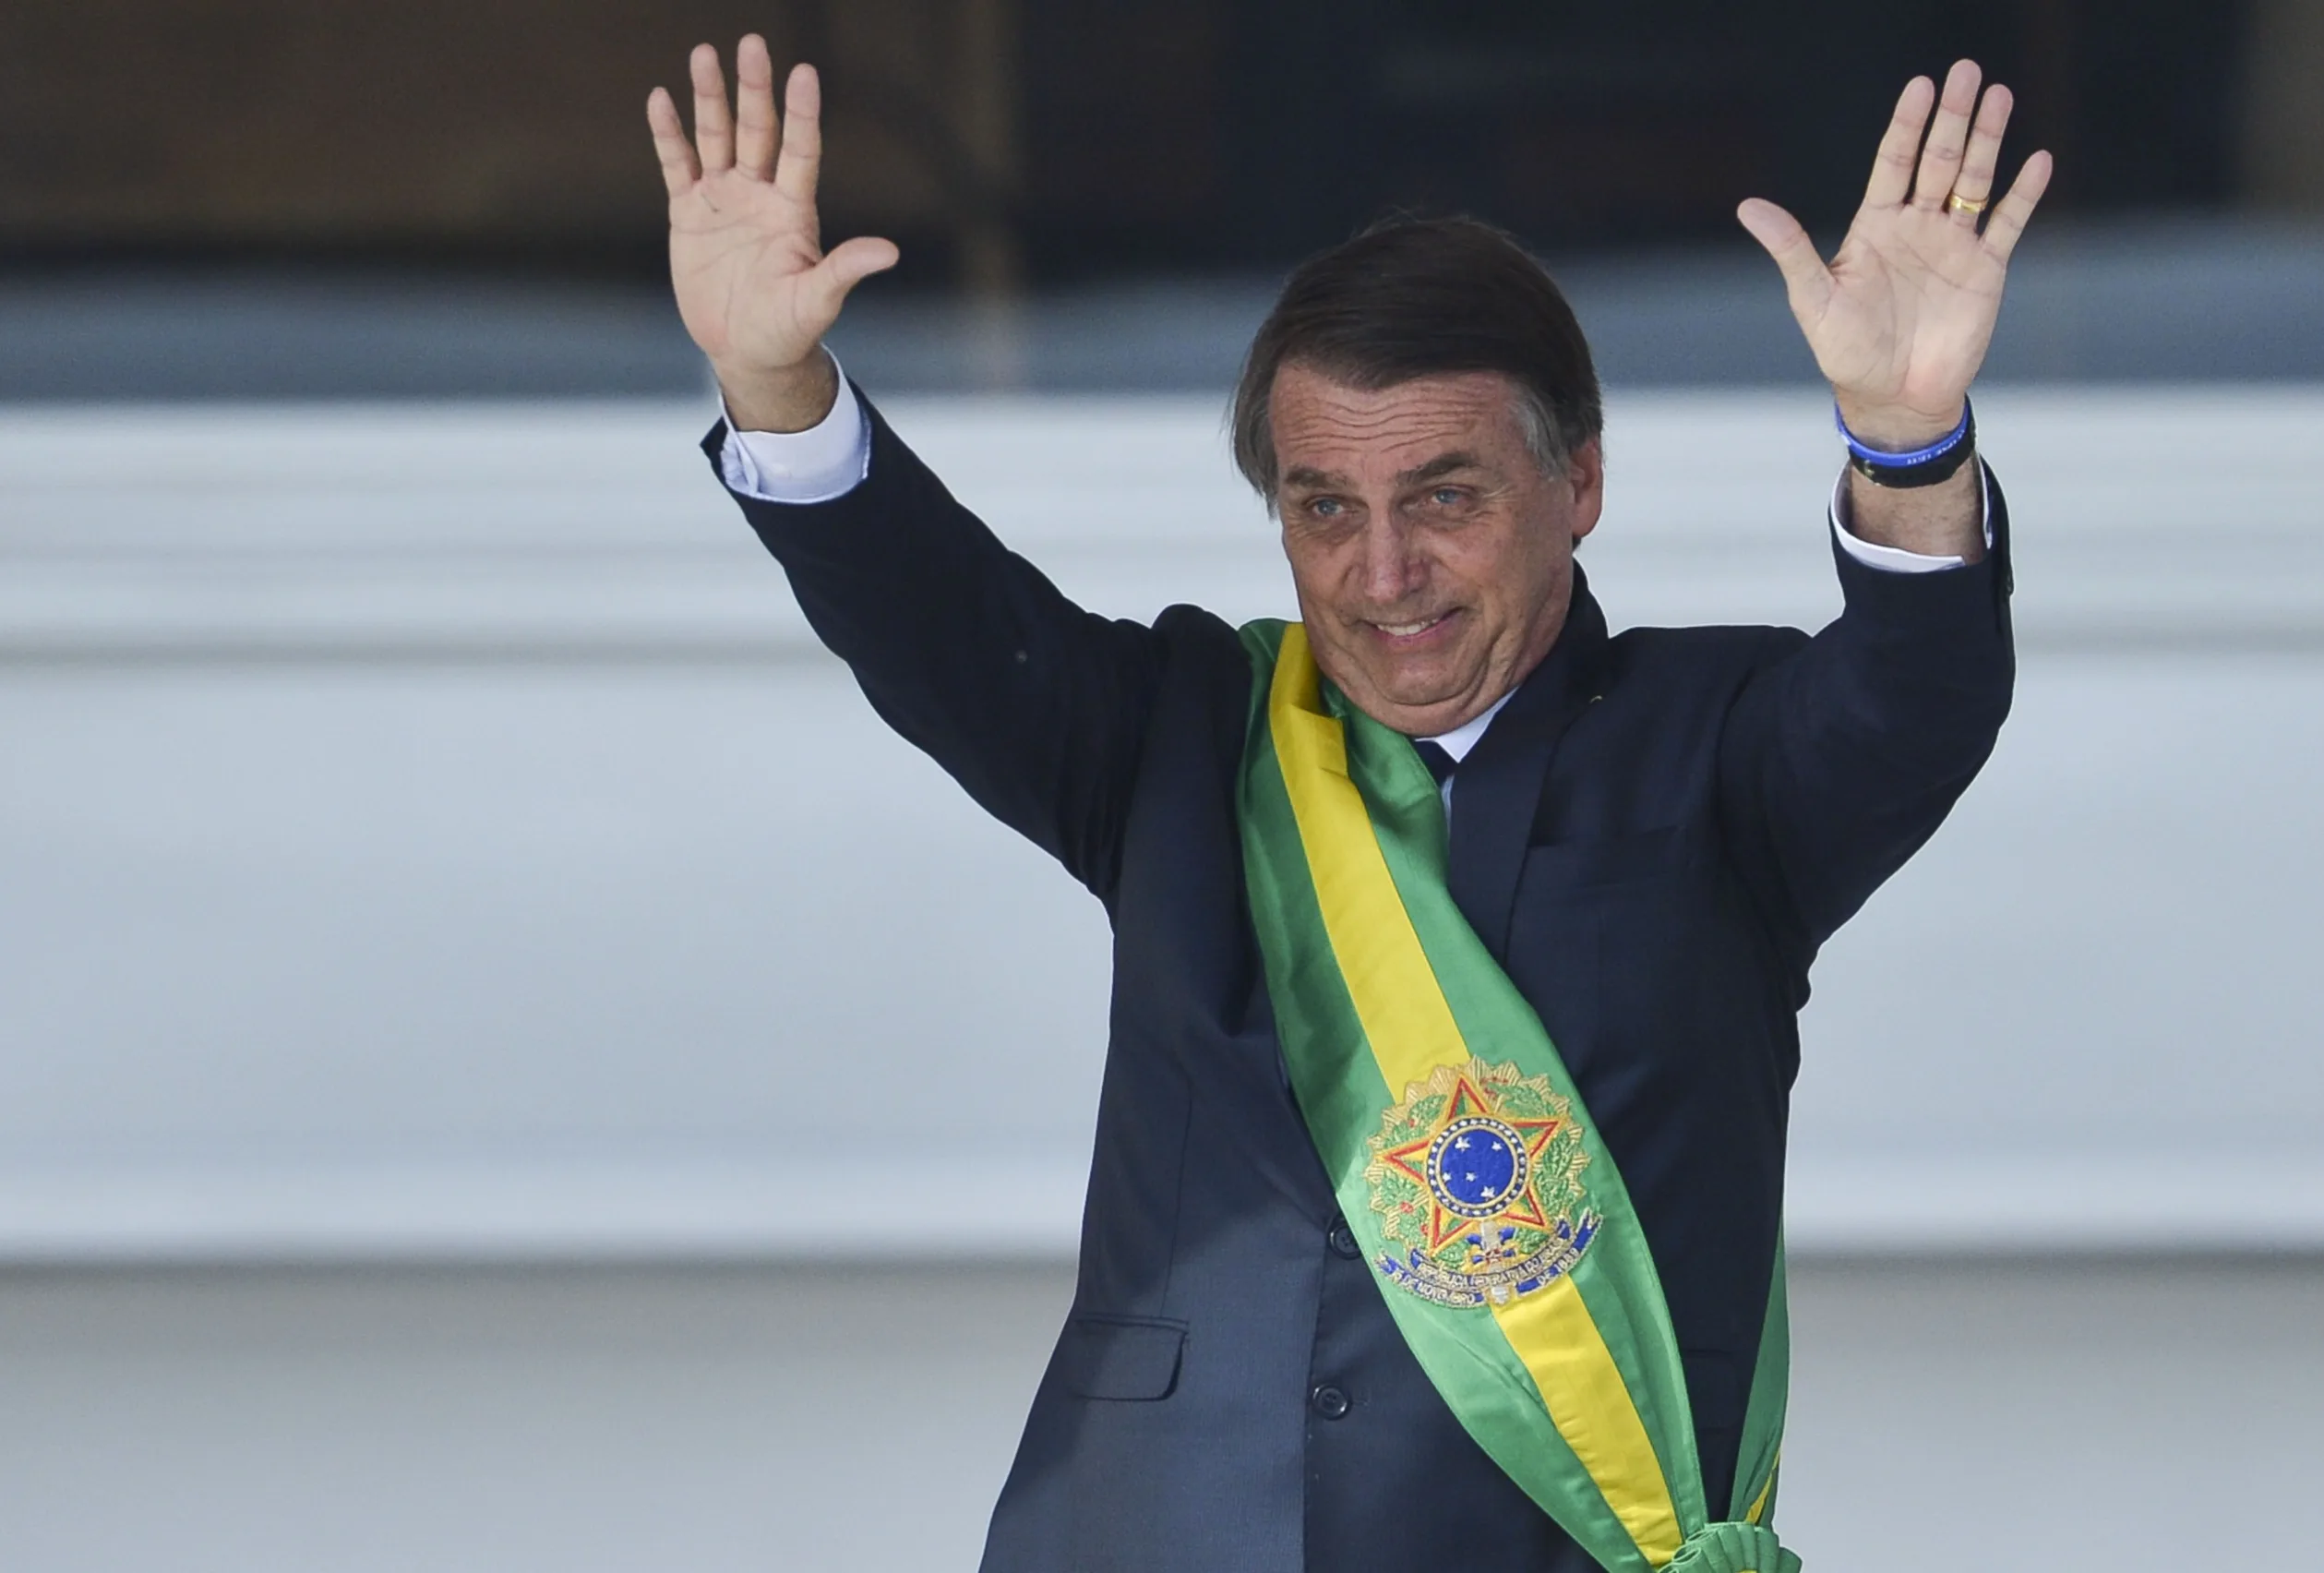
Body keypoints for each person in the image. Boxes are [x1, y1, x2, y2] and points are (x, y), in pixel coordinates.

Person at [647, 38, 2047, 1573]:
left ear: (1577, 482)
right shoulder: (1178, 738)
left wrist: (1908, 440)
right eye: (1326, 510)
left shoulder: (1714, 751)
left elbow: (1919, 695)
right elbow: (939, 622)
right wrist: (775, 388)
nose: (1382, 576)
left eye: (1444, 498)